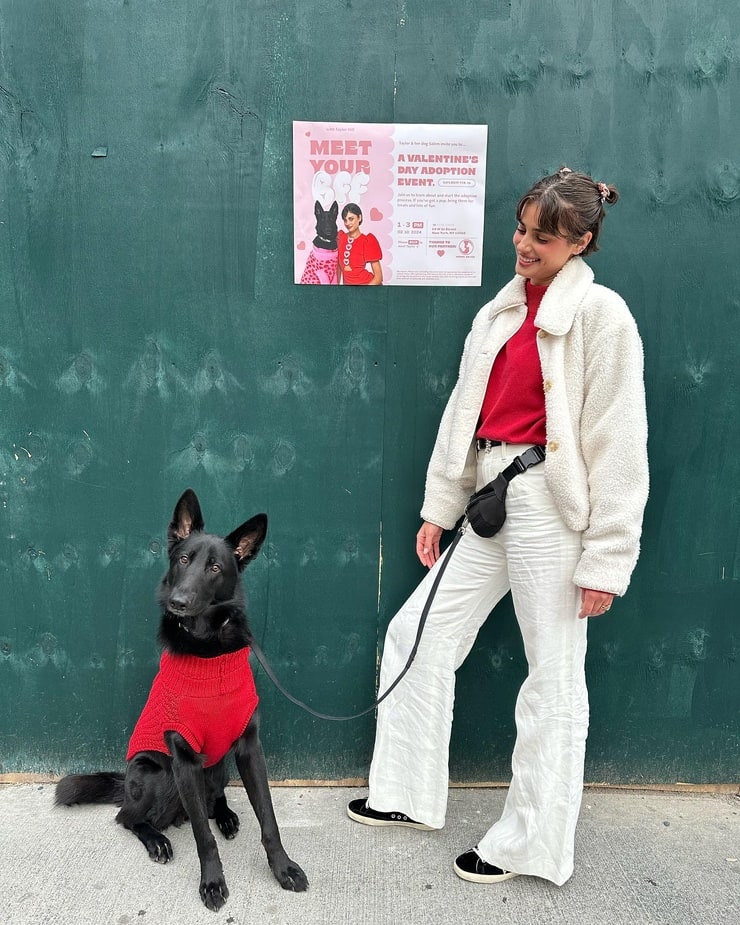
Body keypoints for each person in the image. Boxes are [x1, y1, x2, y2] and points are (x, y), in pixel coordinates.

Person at [346, 167, 649, 887]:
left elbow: (619, 440)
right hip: (489, 493)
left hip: (551, 503)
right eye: (520, 229)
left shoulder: (602, 316)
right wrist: (438, 508)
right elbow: (465, 419)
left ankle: (529, 844)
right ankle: (406, 794)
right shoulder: (500, 313)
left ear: (580, 241)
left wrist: (606, 560)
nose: (523, 245)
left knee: (553, 677)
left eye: (542, 236)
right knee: (416, 631)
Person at [337, 203, 383, 285]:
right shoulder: (340, 238)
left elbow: (378, 277)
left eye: (351, 219)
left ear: (359, 218)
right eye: (345, 220)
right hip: (349, 291)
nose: (347, 223)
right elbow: (338, 268)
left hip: (367, 287)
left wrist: (363, 294)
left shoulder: (367, 241)